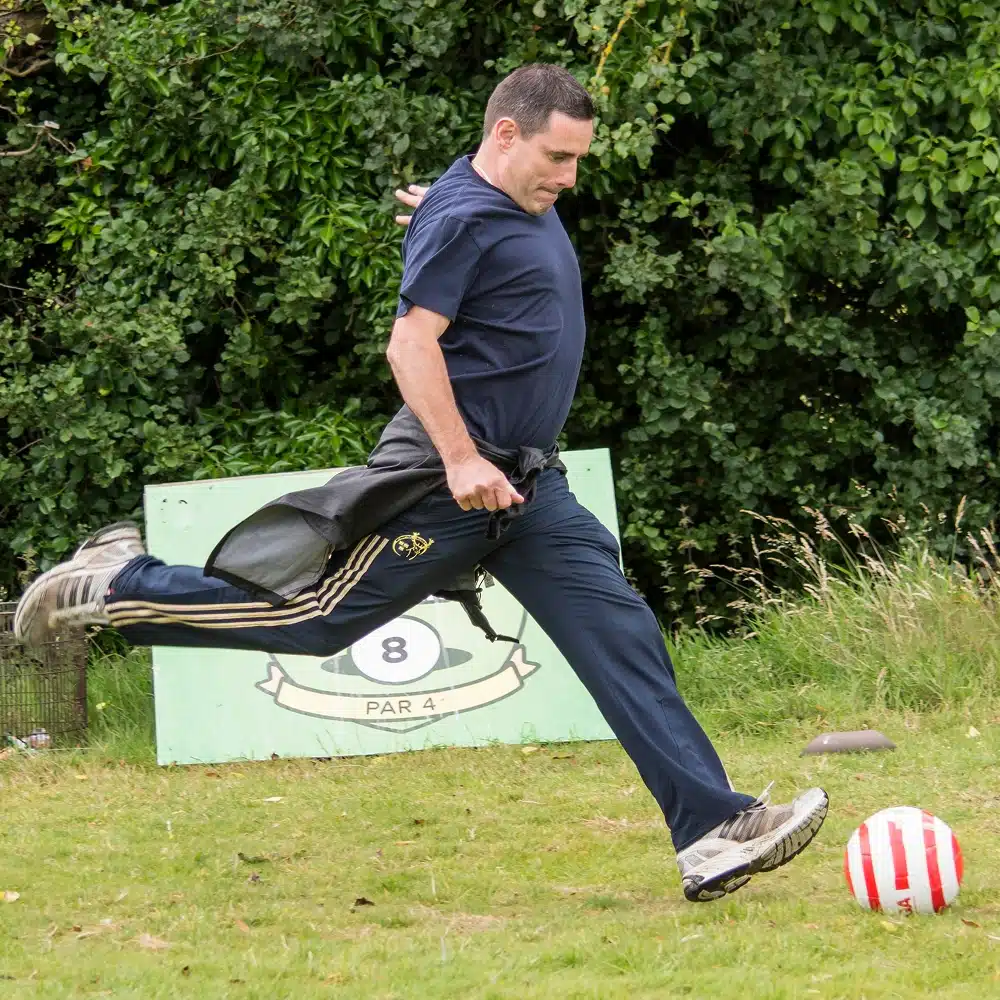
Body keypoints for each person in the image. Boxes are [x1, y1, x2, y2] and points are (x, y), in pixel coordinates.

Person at [13, 63, 828, 903]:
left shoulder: (493, 199)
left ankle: (710, 828)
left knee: (620, 636)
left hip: (531, 491)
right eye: (558, 156)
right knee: (314, 620)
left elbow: (463, 206)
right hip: (447, 483)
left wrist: (443, 211)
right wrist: (461, 458)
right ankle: (115, 584)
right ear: (506, 135)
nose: (569, 177)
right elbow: (410, 346)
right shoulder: (472, 216)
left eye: (579, 159)